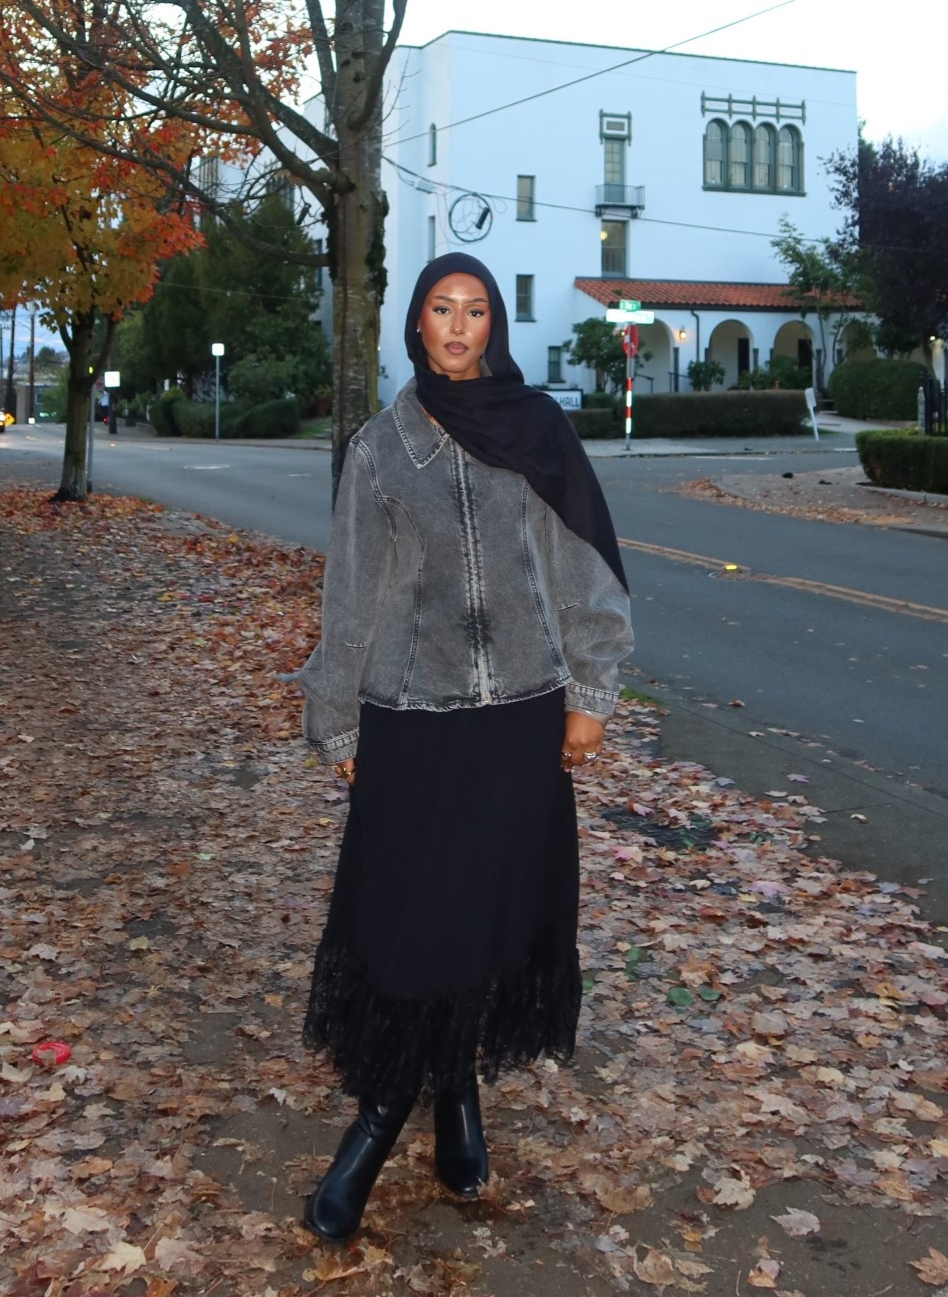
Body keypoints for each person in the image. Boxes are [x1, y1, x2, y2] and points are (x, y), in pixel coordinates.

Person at [295, 253, 635, 1242]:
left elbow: (585, 568)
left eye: (474, 309)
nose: (457, 325)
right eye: (440, 309)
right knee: (410, 923)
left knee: (488, 911)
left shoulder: (535, 429)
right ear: (414, 324)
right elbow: (350, 593)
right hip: (412, 713)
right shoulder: (379, 449)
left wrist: (591, 690)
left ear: (492, 323)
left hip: (521, 714)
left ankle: (457, 1095)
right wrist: (340, 715)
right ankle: (377, 1117)